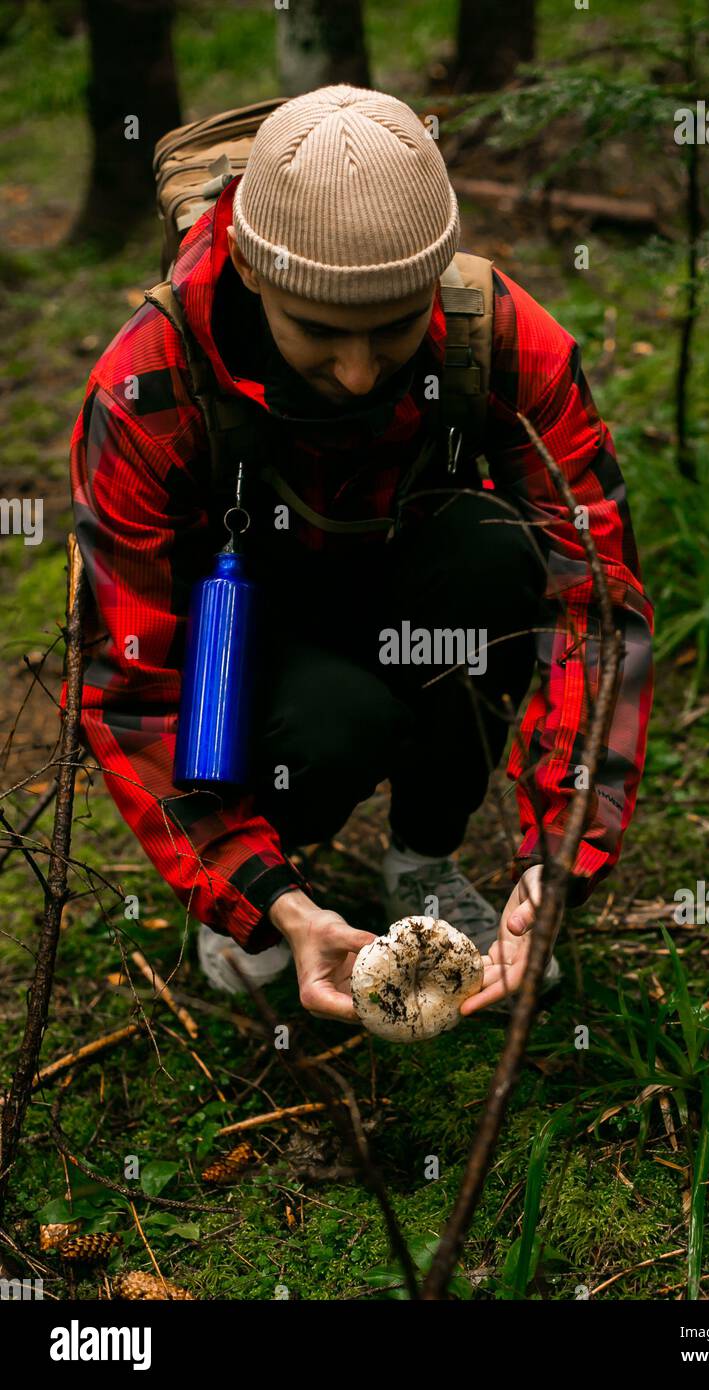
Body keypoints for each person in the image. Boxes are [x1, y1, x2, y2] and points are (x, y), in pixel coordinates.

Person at [66, 86, 654, 1023]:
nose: (356, 372)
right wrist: (265, 900)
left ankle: (425, 857)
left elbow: (597, 602)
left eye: (391, 329)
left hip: (402, 575)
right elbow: (132, 694)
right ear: (253, 270)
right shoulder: (147, 390)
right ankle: (258, 898)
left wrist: (561, 856)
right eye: (322, 333)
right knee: (337, 721)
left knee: (497, 557)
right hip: (248, 639)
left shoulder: (498, 334)